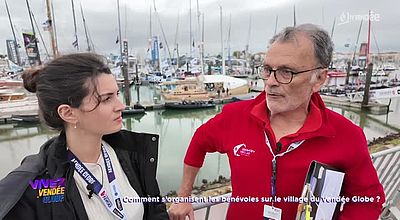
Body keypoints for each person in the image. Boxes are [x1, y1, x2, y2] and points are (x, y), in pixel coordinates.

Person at [168, 24, 385, 220]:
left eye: (286, 72)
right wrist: (183, 195)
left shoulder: (347, 135)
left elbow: (367, 199)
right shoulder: (235, 116)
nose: (271, 82)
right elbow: (199, 141)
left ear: (319, 79)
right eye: (267, 70)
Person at [0, 53, 168, 220]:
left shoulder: (131, 152)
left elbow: (154, 208)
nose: (121, 106)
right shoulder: (35, 185)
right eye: (106, 99)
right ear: (68, 113)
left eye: (117, 94)